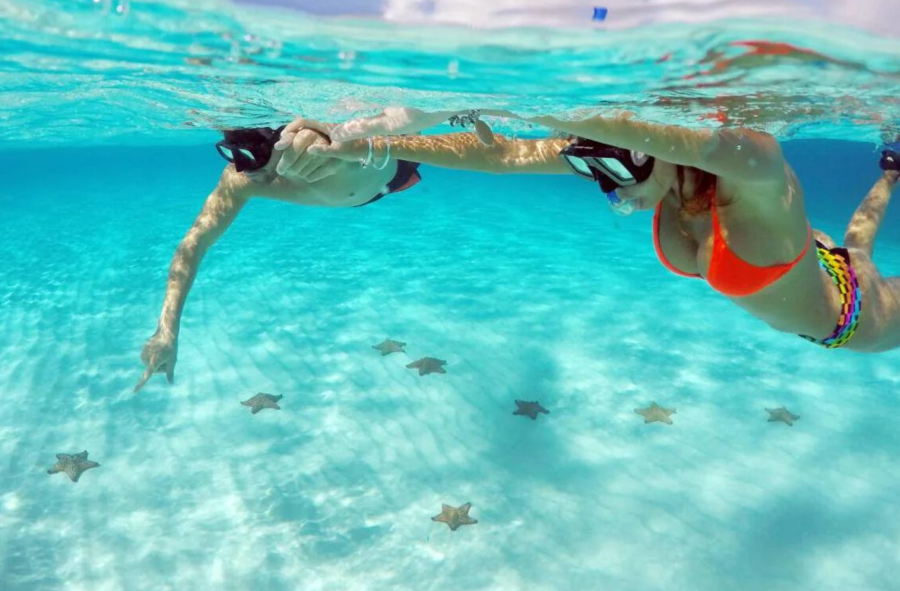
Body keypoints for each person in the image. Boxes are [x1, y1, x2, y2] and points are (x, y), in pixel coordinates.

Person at [285, 110, 900, 353]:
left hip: (860, 320)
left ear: (650, 143)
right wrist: (366, 145)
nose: (613, 193)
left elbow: (733, 145)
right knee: (857, 245)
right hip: (825, 265)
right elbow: (502, 156)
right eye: (595, 173)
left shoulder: (757, 177)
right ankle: (893, 170)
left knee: (858, 250)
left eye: (613, 172)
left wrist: (546, 100)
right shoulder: (642, 164)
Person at [133, 123, 422, 392]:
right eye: (232, 152)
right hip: (360, 184)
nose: (243, 167)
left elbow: (342, 135)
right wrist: (166, 332)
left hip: (395, 169)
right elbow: (194, 243)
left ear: (287, 143)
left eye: (252, 154)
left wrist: (334, 145)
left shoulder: (328, 150)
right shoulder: (243, 177)